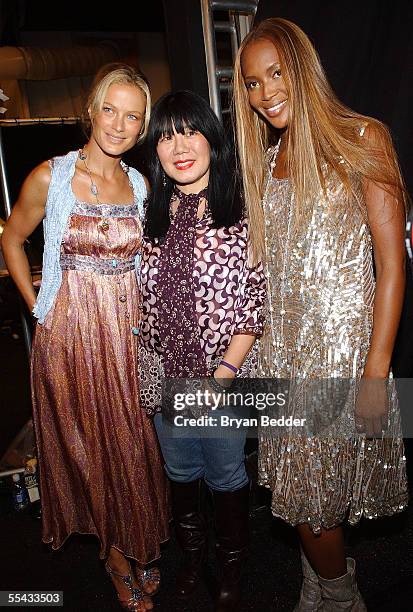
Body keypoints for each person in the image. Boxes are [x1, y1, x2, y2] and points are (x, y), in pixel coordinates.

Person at [232, 17, 409, 612]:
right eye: (252, 83)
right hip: (282, 352)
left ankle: (339, 594)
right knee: (304, 496)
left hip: (339, 356)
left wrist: (377, 369)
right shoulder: (268, 157)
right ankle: (322, 580)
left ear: (302, 67)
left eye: (276, 73)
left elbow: (392, 265)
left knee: (312, 503)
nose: (265, 92)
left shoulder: (364, 138)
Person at [2, 64, 170, 612]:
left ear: (142, 126)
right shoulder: (50, 177)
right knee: (90, 448)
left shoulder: (140, 184)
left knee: (134, 443)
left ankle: (136, 533)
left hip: (126, 337)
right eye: (111, 110)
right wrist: (38, 310)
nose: (120, 125)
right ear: (92, 109)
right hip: (71, 337)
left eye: (133, 116)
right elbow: (11, 239)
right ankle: (117, 557)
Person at [138, 90, 266, 611]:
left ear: (212, 140)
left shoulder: (241, 209)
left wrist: (224, 375)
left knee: (227, 476)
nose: (178, 146)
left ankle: (230, 565)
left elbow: (254, 304)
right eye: (166, 136)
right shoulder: (154, 211)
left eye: (190, 131)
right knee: (181, 477)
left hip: (221, 379)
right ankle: (193, 560)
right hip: (166, 377)